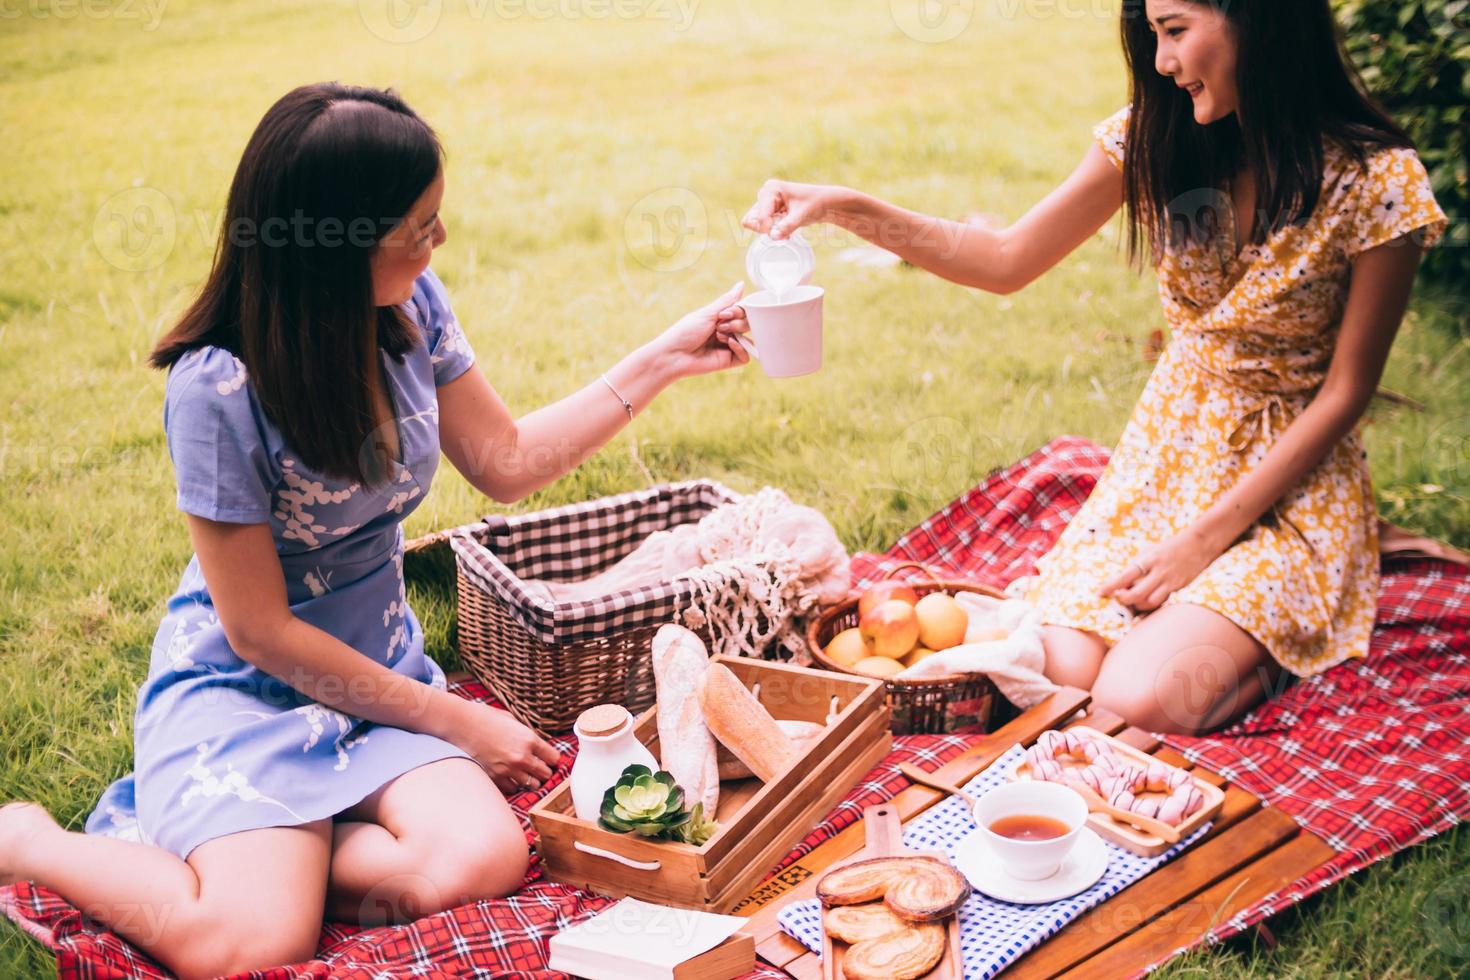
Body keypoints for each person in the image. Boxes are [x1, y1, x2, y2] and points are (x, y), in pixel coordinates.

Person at [0, 82, 750, 978]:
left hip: (379, 677)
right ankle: (33, 843)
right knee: (248, 946)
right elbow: (259, 631)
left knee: (483, 861)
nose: (439, 243)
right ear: (340, 243)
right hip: (250, 688)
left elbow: (506, 461)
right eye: (419, 225)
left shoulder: (408, 309)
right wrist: (459, 725)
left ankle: (281, 845)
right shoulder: (215, 391)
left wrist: (665, 356)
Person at [743, 0, 1447, 735]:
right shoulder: (1159, 135)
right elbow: (1004, 260)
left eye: (1176, 31)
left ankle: (1276, 648)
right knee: (1061, 673)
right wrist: (842, 206)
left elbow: (1346, 393)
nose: (1163, 63)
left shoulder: (1376, 180)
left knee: (1139, 700)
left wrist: (1201, 543)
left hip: (1289, 486)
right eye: (1153, 37)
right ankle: (1209, 632)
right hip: (1170, 457)